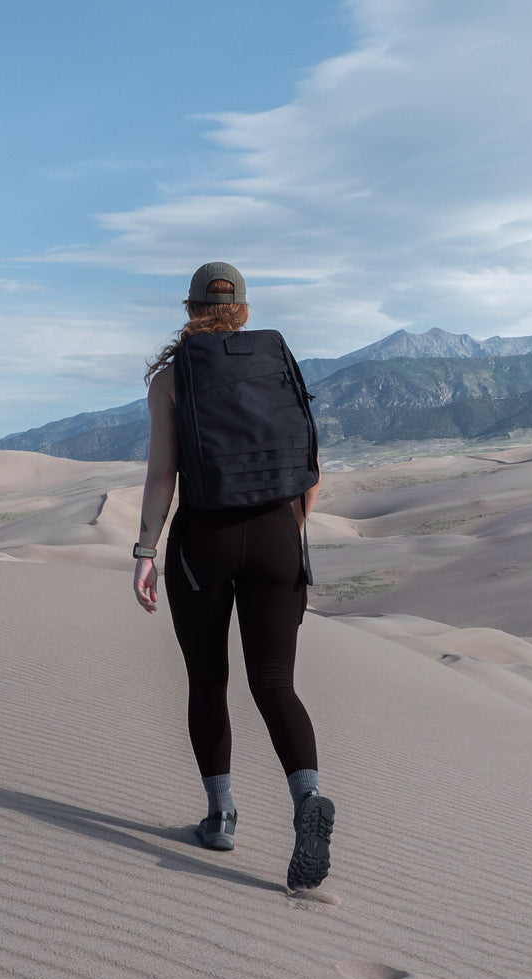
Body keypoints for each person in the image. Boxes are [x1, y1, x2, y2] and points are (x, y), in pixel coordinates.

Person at [131, 261, 333, 891]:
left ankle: (220, 817)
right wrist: (290, 533)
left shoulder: (171, 376)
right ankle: (308, 802)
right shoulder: (275, 361)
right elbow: (311, 468)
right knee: (275, 682)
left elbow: (164, 473)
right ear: (243, 310)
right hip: (277, 533)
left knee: (208, 679)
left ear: (190, 309)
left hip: (205, 538)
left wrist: (146, 550)